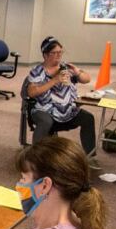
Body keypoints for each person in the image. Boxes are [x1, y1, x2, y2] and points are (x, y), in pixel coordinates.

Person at [26, 36, 99, 168]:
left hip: (67, 110)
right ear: (45, 54)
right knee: (45, 121)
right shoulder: (37, 71)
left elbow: (86, 79)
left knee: (88, 118)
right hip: (44, 109)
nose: (58, 55)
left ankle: (90, 157)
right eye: (55, 53)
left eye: (60, 52)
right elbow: (32, 92)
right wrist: (54, 80)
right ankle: (35, 158)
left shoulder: (65, 68)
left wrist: (78, 72)